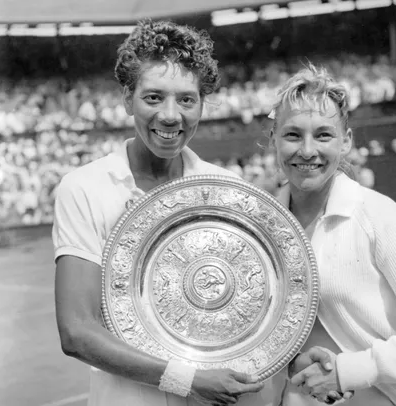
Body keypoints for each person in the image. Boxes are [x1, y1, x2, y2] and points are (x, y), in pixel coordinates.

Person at [52, 19, 310, 406]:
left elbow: (261, 314)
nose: (171, 116)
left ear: (202, 104)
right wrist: (186, 379)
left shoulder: (226, 189)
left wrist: (294, 361)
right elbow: (76, 331)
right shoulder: (84, 188)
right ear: (127, 98)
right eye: (153, 97)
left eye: (186, 100)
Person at [267, 64, 396, 405]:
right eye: (292, 135)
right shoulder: (260, 224)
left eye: (323, 134)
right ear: (273, 139)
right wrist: (290, 365)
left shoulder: (378, 214)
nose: (306, 150)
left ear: (346, 141)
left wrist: (351, 369)